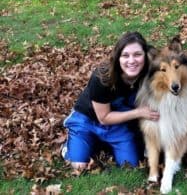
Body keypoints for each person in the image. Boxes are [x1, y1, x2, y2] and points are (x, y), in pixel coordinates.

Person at [62, 32, 160, 169]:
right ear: (117, 57)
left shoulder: (149, 74)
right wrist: (139, 112)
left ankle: (101, 143)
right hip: (87, 121)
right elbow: (104, 118)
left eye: (137, 54)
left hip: (117, 124)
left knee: (129, 166)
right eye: (125, 55)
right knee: (79, 166)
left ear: (145, 55)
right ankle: (73, 144)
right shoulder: (102, 77)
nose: (132, 61)